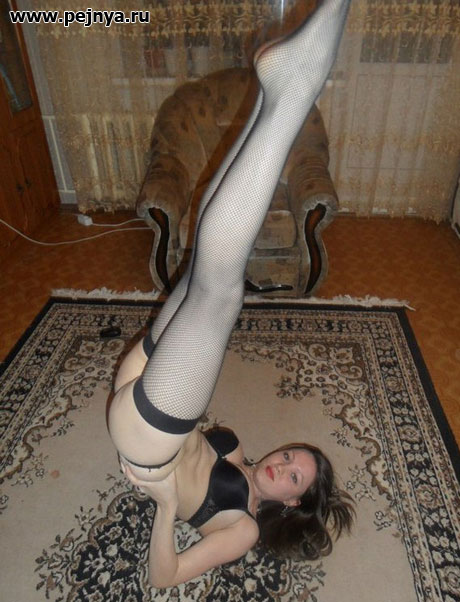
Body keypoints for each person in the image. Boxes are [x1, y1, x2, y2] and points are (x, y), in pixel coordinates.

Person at [108, 0, 354, 588]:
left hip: (148, 441)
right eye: (291, 456)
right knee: (204, 270)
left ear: (291, 503)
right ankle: (274, 100)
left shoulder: (242, 528)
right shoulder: (239, 454)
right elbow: (212, 443)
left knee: (220, 293)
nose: (283, 464)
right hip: (146, 387)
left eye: (293, 477)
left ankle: (289, 93)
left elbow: (164, 578)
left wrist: (167, 505)